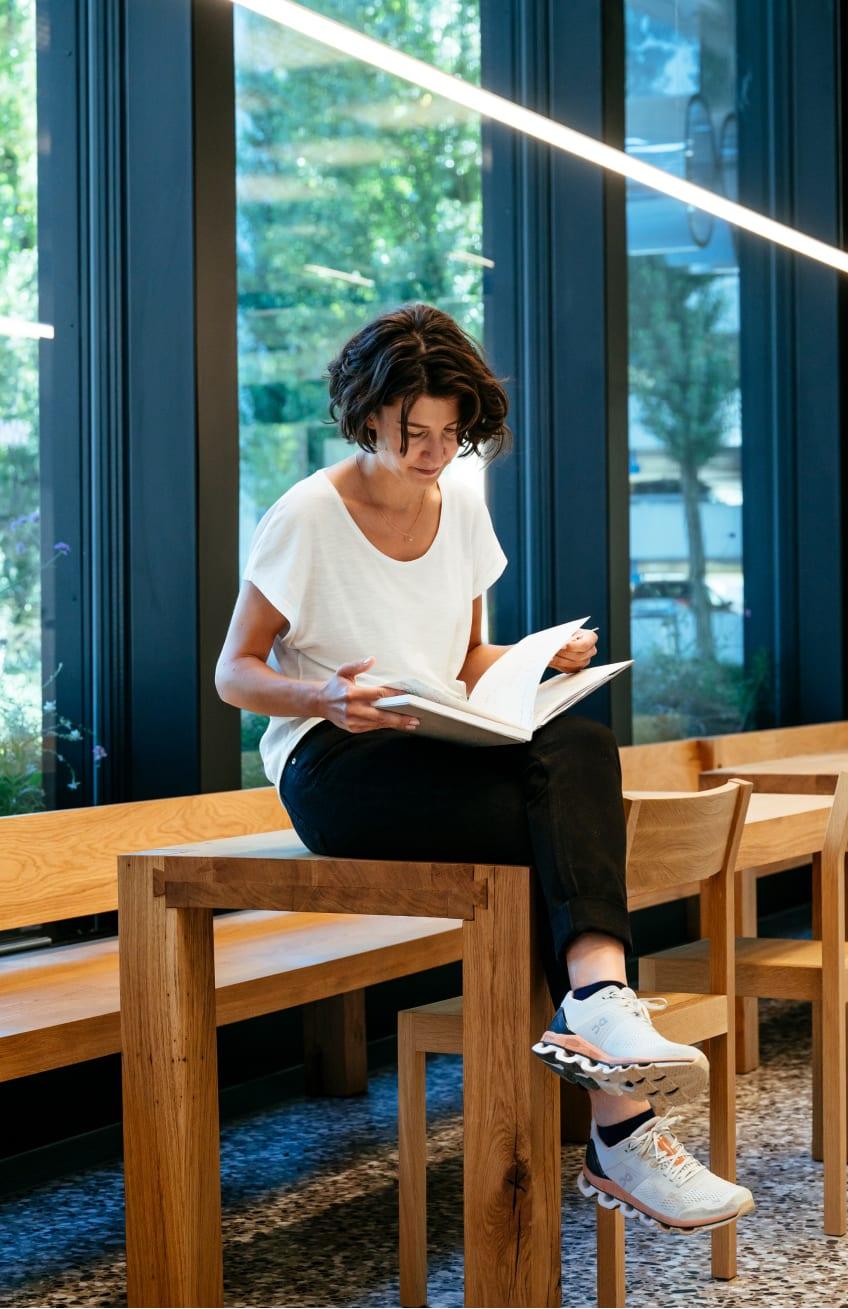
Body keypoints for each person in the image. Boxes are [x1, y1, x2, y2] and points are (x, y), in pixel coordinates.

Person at [216, 302, 753, 1234]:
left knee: (579, 740)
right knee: (560, 833)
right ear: (368, 416)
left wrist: (532, 662)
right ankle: (619, 1106)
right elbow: (235, 672)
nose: (431, 452)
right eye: (413, 432)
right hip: (337, 762)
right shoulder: (308, 513)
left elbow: (463, 659)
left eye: (450, 433)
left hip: (436, 741)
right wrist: (325, 699)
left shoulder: (459, 502)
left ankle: (598, 1011)